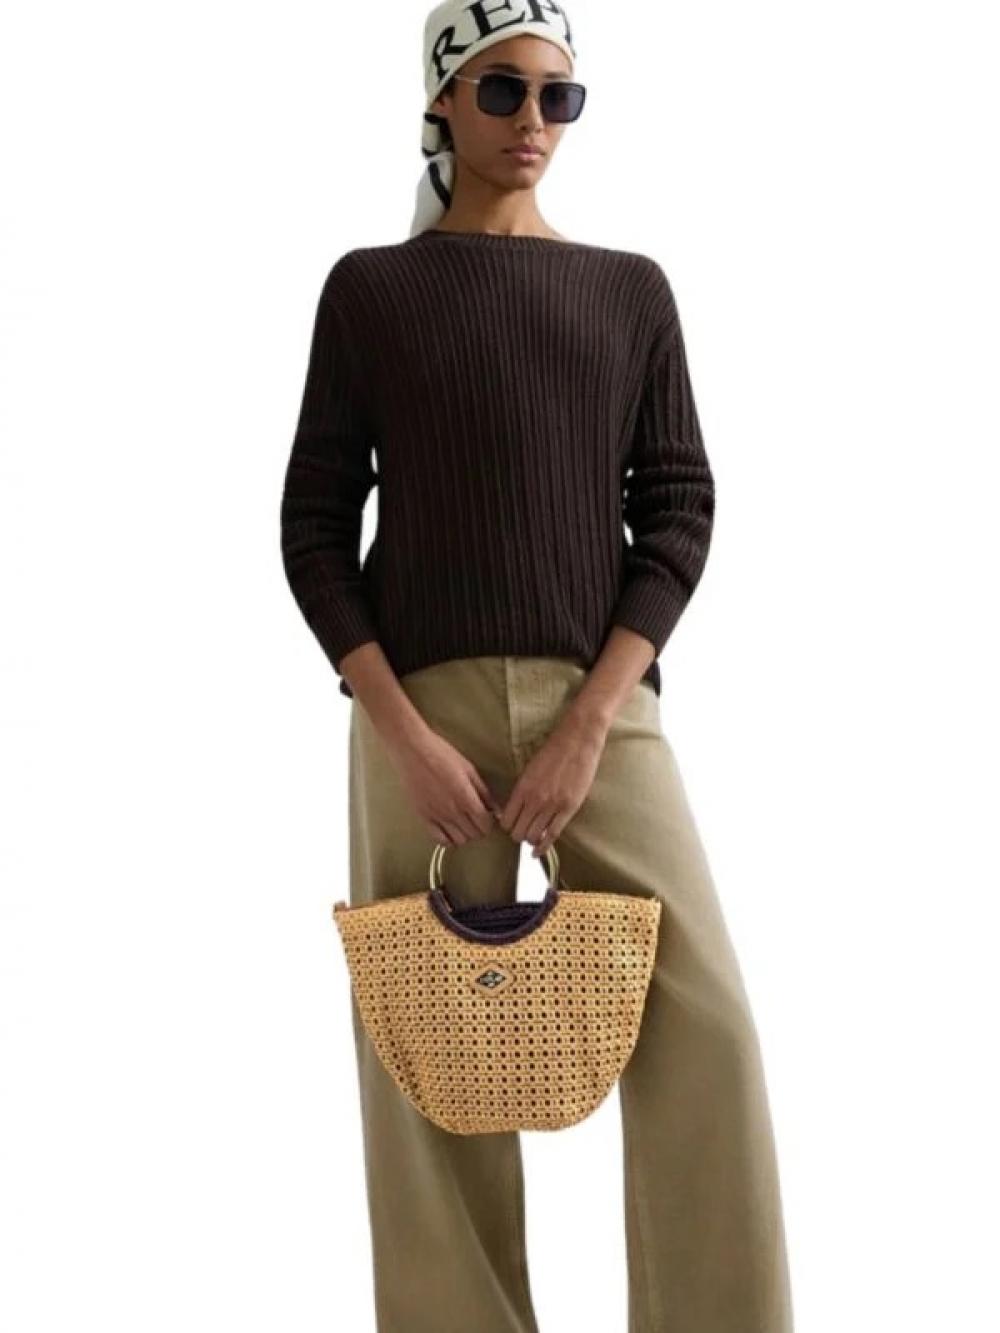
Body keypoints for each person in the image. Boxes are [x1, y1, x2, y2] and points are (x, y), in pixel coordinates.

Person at [280, 2, 795, 1329]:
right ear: (442, 100)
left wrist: (590, 723)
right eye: (503, 91)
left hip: (599, 713)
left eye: (560, 98)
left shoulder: (629, 290)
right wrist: (399, 731)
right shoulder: (371, 291)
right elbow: (315, 529)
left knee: (709, 1025)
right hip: (416, 718)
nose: (533, 123)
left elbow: (677, 511)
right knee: (420, 1047)